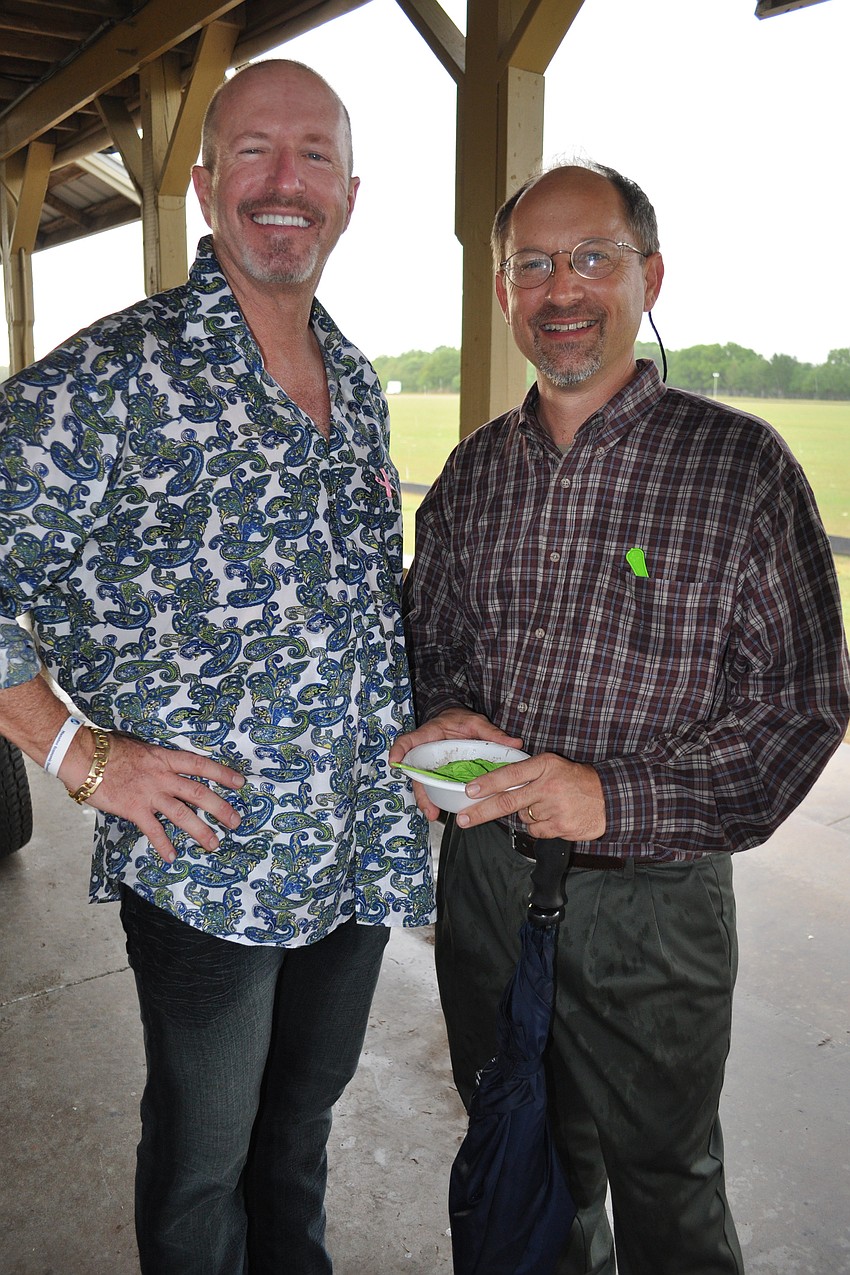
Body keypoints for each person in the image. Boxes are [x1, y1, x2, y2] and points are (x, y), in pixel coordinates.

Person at [0, 59, 434, 1275]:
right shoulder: (109, 378)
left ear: (350, 193)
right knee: (203, 1156)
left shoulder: (353, 379)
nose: (283, 181)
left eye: (312, 156)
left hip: (354, 849)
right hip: (210, 865)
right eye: (253, 151)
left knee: (296, 1137)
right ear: (202, 186)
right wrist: (82, 756)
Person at [391, 160, 850, 1274]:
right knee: (526, 1156)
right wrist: (440, 713)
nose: (562, 290)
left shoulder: (738, 468)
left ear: (649, 275)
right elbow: (429, 643)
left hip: (653, 906)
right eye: (532, 265)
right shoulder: (473, 477)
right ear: (504, 292)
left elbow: (801, 706)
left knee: (668, 1184)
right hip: (489, 887)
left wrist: (613, 796)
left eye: (591, 257)